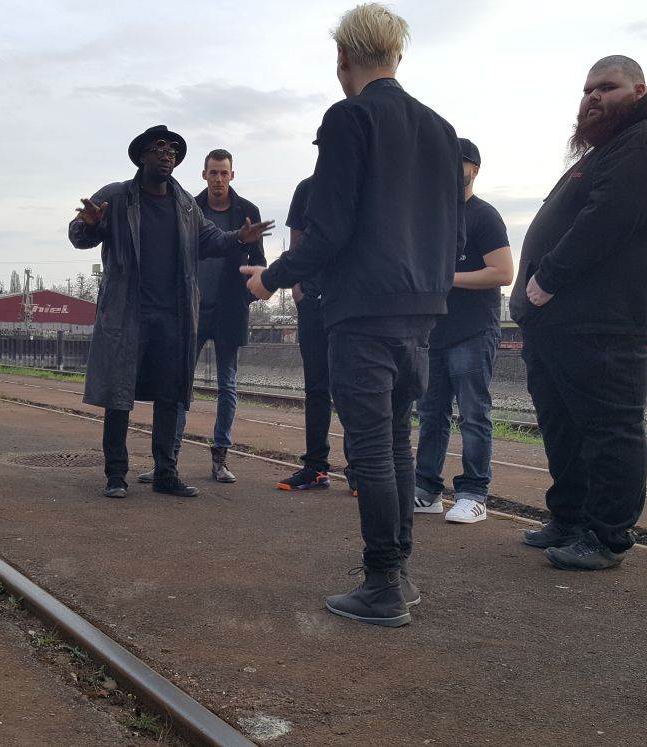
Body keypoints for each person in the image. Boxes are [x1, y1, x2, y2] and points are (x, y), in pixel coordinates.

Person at [243, 3, 462, 627]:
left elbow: (329, 230)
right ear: (397, 56)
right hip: (422, 312)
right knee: (395, 443)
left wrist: (269, 279)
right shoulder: (442, 129)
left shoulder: (349, 117)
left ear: (342, 57)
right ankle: (398, 573)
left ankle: (383, 583)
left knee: (370, 448)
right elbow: (449, 235)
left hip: (363, 312)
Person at [508, 55, 647, 570]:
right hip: (563, 322)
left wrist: (545, 281)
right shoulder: (611, 148)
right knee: (564, 427)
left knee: (608, 428)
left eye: (607, 87)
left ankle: (607, 535)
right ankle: (570, 517)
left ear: (639, 91)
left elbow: (606, 221)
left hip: (603, 320)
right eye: (587, 89)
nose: (593, 97)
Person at [70, 126, 273, 500]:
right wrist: (88, 224)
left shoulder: (185, 205)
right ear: (142, 156)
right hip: (127, 315)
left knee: (170, 395)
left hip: (174, 317)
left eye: (173, 150)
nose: (167, 154)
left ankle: (166, 472)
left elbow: (211, 239)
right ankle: (116, 474)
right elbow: (79, 235)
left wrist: (239, 239)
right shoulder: (116, 197)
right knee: (119, 396)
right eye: (159, 148)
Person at [138, 149, 265, 484]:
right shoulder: (188, 208)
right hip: (191, 312)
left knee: (227, 385)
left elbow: (259, 264)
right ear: (204, 175)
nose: (218, 179)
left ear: (232, 175)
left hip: (230, 311)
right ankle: (168, 460)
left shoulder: (247, 212)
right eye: (213, 173)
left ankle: (220, 457)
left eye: (224, 173)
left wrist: (244, 299)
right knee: (179, 384)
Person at [413, 139, 513, 524]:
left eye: (460, 163)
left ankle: (474, 494)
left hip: (472, 332)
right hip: (432, 332)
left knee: (473, 414)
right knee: (430, 414)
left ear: (475, 170)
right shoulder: (430, 218)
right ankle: (426, 490)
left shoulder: (484, 216)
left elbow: (503, 272)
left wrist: (447, 277)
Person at [274, 174, 353, 494]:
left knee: (352, 388)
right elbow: (297, 246)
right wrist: (298, 288)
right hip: (313, 303)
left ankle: (360, 469)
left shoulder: (360, 183)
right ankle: (315, 467)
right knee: (317, 388)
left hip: (351, 304)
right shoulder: (306, 190)